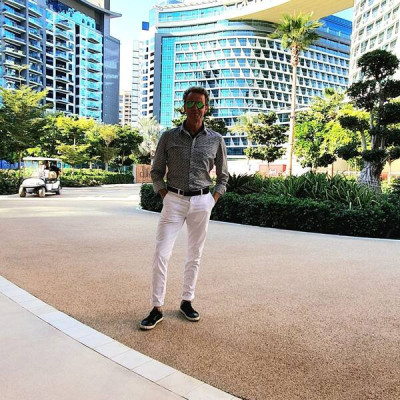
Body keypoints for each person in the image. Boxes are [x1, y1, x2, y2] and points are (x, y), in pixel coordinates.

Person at [140, 86, 228, 330]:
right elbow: (156, 171)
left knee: (194, 254)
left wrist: (212, 200)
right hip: (174, 201)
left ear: (206, 108)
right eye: (190, 104)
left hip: (202, 201)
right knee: (161, 253)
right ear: (184, 107)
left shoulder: (216, 140)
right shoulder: (168, 137)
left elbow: (223, 176)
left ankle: (187, 301)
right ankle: (157, 307)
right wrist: (164, 195)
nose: (195, 109)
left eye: (199, 104)